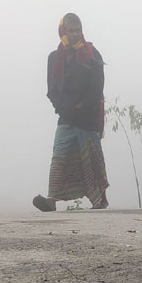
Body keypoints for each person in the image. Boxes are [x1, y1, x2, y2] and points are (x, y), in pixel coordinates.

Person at [33, 13, 109, 211]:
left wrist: (82, 106)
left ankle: (100, 199)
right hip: (66, 117)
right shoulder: (54, 58)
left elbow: (97, 86)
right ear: (63, 32)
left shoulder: (92, 54)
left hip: (88, 117)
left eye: (78, 30)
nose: (75, 34)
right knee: (59, 156)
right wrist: (62, 108)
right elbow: (52, 89)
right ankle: (51, 200)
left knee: (92, 159)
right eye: (71, 30)